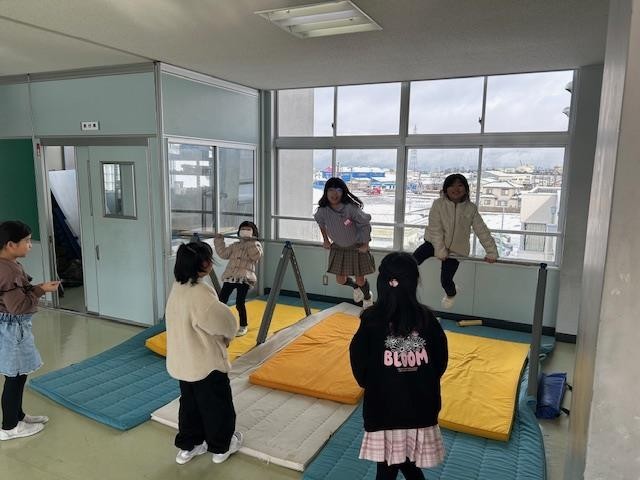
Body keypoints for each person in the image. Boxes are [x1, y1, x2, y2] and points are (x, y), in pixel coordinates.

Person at [350, 252, 448, 480]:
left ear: (382, 282)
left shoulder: (371, 320)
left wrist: (375, 382)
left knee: (389, 468)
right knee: (405, 464)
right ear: (414, 282)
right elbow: (440, 362)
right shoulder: (428, 319)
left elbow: (359, 362)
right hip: (420, 408)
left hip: (384, 410)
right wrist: (422, 380)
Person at [165, 241, 243, 465]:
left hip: (183, 360)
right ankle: (221, 446)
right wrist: (229, 335)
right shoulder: (200, 293)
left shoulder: (178, 287)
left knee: (189, 405)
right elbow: (224, 322)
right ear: (205, 264)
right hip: (205, 362)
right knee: (216, 405)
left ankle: (189, 445)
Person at [0, 221, 60, 441]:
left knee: (20, 374)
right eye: (26, 241)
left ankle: (18, 416)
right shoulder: (7, 271)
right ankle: (9, 427)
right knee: (14, 377)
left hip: (13, 327)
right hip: (12, 329)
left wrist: (40, 288)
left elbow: (20, 294)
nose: (30, 245)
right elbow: (18, 306)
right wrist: (41, 290)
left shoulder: (9, 264)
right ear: (10, 244)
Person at [413, 173, 498, 309]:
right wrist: (440, 250)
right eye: (452, 186)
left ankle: (451, 294)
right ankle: (402, 284)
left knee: (446, 281)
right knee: (411, 261)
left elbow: (482, 230)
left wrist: (491, 252)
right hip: (433, 243)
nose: (456, 189)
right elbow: (435, 229)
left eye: (460, 185)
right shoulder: (438, 204)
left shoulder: (470, 208)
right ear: (446, 189)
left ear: (466, 189)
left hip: (456, 249)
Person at [314, 177, 375, 308]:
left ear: (343, 192)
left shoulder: (350, 208)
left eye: (338, 190)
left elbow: (365, 224)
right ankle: (355, 287)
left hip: (356, 247)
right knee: (340, 280)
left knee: (360, 279)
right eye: (331, 190)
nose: (334, 194)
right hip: (339, 247)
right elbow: (320, 222)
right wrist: (325, 240)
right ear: (326, 192)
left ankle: (368, 297)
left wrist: (365, 244)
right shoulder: (323, 210)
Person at [214, 221, 263, 337]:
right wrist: (219, 241)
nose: (245, 231)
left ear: (253, 233)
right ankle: (220, 323)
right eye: (243, 229)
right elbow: (223, 254)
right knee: (221, 300)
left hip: (244, 278)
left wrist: (250, 242)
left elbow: (256, 256)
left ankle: (243, 325)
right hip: (231, 276)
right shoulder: (235, 245)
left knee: (239, 303)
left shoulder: (256, 245)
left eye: (248, 229)